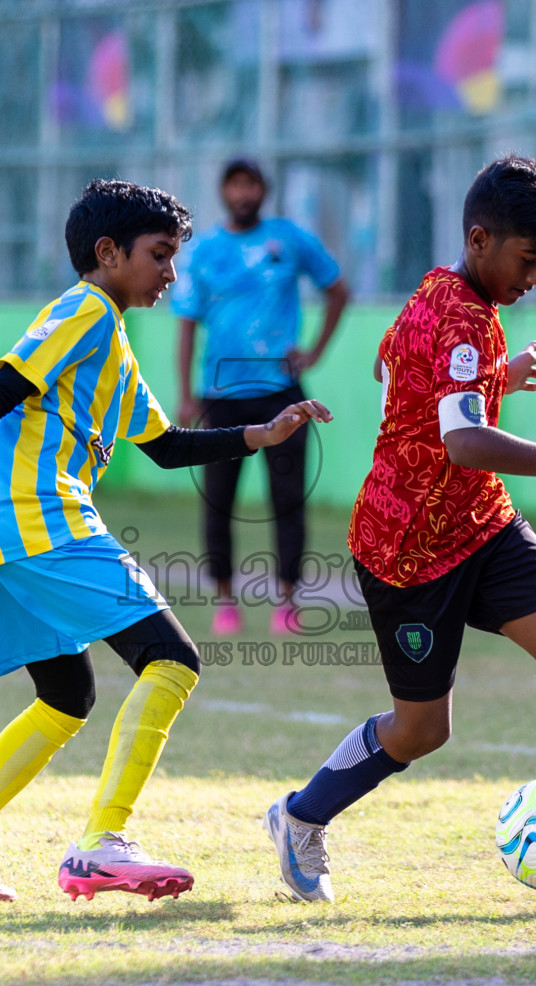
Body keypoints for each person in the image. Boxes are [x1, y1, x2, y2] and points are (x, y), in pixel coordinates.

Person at [263, 155, 536, 906]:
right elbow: (464, 442)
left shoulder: (439, 292)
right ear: (481, 239)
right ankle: (300, 817)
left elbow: (386, 368)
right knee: (423, 730)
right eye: (529, 261)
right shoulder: (460, 314)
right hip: (408, 550)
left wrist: (493, 373)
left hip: (479, 524)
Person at [0, 179, 331, 903]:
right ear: (108, 253)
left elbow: (163, 445)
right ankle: (101, 845)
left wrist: (262, 432)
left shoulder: (112, 342)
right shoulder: (86, 308)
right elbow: (5, 381)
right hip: (31, 515)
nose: (172, 273)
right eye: (160, 256)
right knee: (173, 660)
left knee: (65, 698)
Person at [173, 157, 349, 636]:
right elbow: (186, 322)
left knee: (289, 497)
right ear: (223, 192)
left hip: (282, 395)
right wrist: (186, 392)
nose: (243, 193)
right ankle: (225, 601)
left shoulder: (288, 239)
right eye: (235, 185)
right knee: (219, 500)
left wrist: (313, 351)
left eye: (251, 184)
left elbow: (338, 289)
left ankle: (287, 599)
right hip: (222, 396)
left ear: (263, 191)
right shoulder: (205, 250)